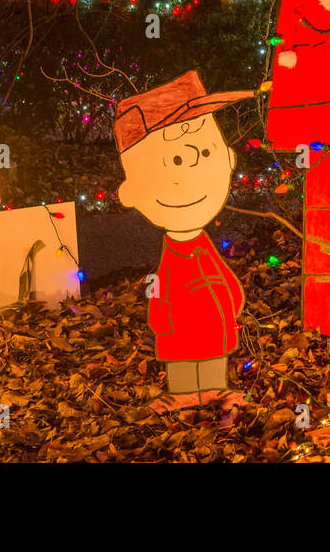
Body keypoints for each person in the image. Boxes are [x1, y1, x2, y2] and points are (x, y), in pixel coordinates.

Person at [115, 71, 252, 410]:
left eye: (206, 153)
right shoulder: (171, 256)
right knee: (184, 363)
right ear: (130, 192)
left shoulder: (204, 246)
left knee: (212, 359)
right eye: (173, 160)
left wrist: (233, 300)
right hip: (182, 329)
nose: (188, 168)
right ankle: (183, 392)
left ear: (228, 158)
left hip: (215, 328)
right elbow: (160, 287)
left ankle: (215, 389)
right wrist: (161, 317)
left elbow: (224, 277)